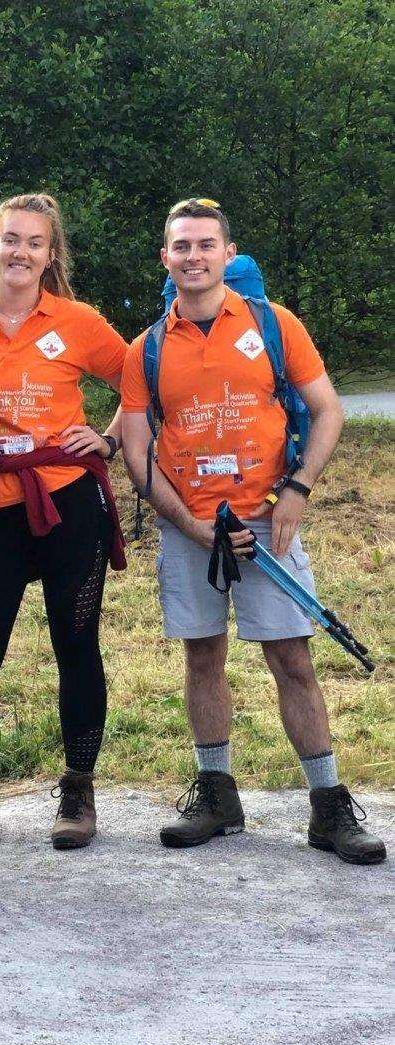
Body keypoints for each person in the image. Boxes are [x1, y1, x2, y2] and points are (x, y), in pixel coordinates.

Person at [119, 198, 383, 865]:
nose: (194, 257)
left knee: (292, 658)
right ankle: (216, 796)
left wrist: (297, 490)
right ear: (165, 259)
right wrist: (187, 523)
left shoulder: (274, 325)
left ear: (228, 253)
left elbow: (326, 411)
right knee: (202, 657)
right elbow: (136, 452)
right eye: (181, 246)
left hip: (269, 523)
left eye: (206, 245)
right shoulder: (146, 348)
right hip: (191, 529)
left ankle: (328, 806)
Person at [0, 193, 130, 849]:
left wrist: (111, 438)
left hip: (68, 503)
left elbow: (146, 380)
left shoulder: (77, 320)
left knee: (76, 648)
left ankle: (78, 789)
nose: (21, 252)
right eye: (11, 239)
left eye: (34, 243)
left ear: (51, 254)